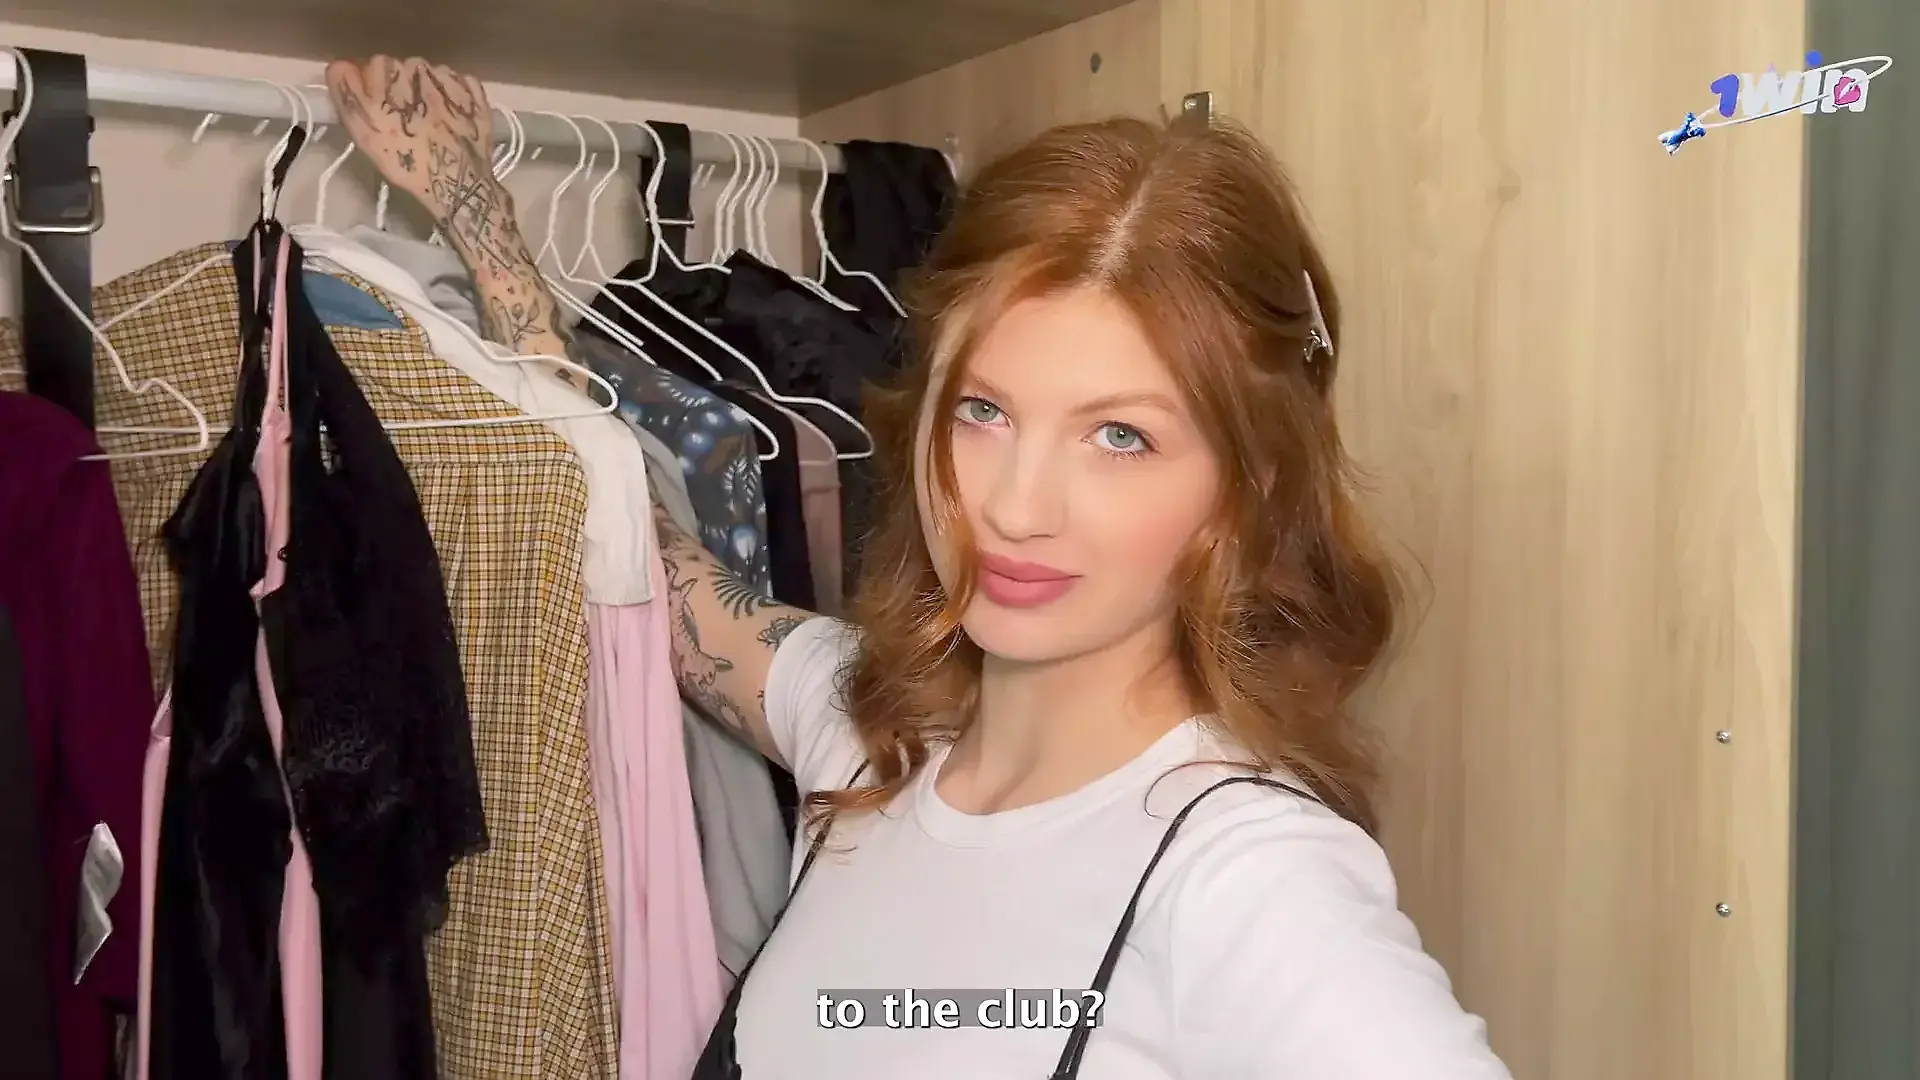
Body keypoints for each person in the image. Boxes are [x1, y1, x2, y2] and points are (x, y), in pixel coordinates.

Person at [328, 55, 1516, 1080]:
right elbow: (648, 556)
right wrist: (484, 226)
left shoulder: (1243, 873)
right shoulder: (868, 737)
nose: (1013, 507)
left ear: (1247, 487)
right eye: (983, 411)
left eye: (1120, 436)